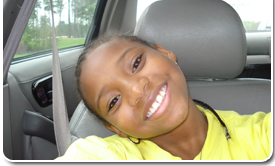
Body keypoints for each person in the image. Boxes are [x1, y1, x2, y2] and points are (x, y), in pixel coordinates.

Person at [56, 35, 271, 160]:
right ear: (115, 129)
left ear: (166, 53)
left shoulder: (259, 135)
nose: (137, 91)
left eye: (136, 63)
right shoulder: (107, 154)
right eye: (114, 101)